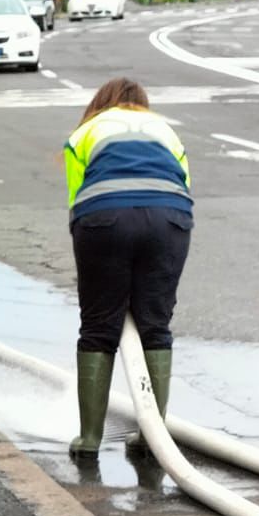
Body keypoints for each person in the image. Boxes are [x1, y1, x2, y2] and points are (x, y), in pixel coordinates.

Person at [63, 76, 192, 461]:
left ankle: (89, 439)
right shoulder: (166, 130)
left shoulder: (84, 132)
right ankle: (151, 435)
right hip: (171, 217)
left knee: (99, 327)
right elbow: (184, 185)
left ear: (101, 102)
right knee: (155, 324)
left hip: (103, 217)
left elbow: (76, 199)